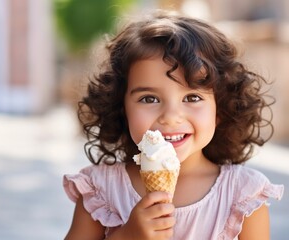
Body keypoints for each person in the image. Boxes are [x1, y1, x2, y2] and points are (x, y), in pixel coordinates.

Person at [63, 10, 284, 240]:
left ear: (221, 107)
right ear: (121, 108)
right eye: (149, 99)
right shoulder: (101, 191)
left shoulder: (243, 195)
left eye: (192, 98)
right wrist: (126, 236)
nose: (171, 116)